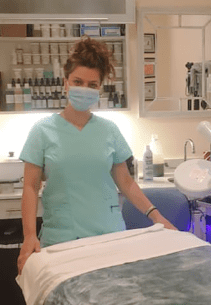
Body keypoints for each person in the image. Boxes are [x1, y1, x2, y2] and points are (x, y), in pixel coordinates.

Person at [17, 36, 176, 275]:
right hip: (62, 240)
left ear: (100, 88)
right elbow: (30, 186)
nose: (84, 89)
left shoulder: (109, 130)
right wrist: (29, 236)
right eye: (77, 81)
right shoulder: (42, 131)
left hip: (109, 238)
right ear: (66, 83)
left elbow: (126, 182)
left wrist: (157, 216)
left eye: (92, 84)